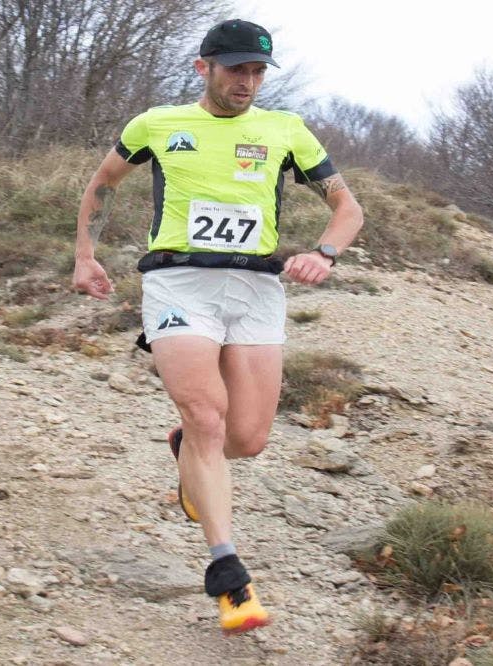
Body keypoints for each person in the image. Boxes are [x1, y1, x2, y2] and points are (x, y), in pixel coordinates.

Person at [72, 18, 363, 635]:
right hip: (178, 283)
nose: (247, 82)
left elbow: (347, 207)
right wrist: (84, 255)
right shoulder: (157, 124)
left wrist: (325, 253)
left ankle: (187, 451)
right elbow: (103, 183)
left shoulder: (285, 131)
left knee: (247, 438)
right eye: (236, 69)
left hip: (255, 289)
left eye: (257, 71)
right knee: (208, 416)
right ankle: (229, 575)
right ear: (204, 67)